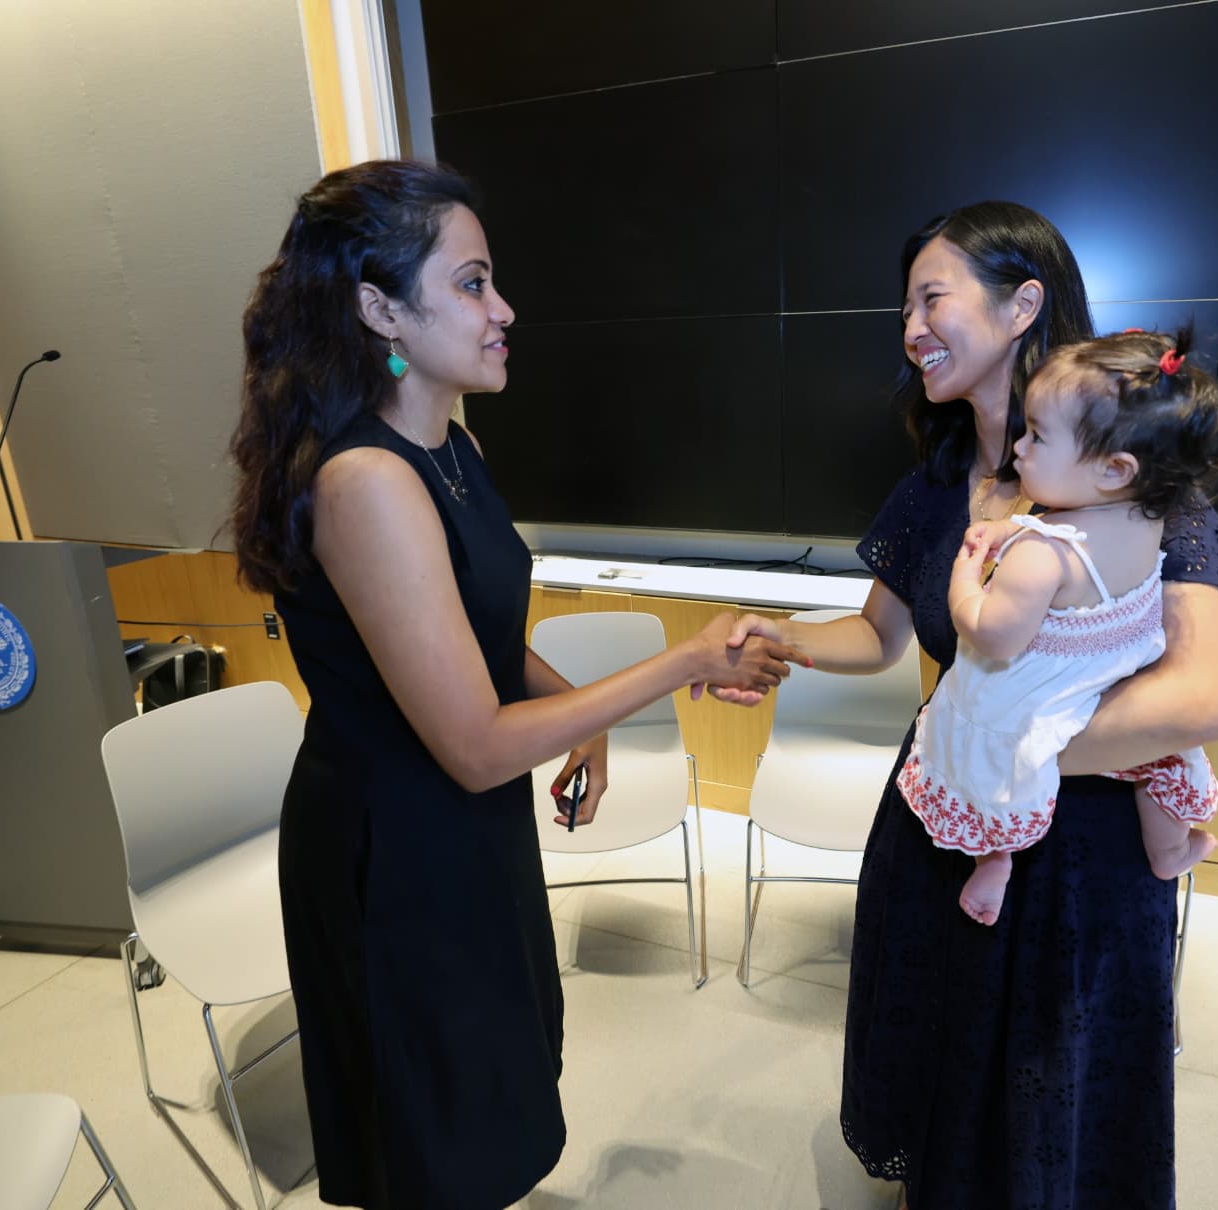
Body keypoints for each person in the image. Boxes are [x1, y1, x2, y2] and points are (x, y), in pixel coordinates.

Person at [227, 159, 804, 1210]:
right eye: (472, 284)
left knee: (493, 1071)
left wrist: (571, 716)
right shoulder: (366, 483)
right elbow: (477, 740)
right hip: (394, 838)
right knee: (433, 1114)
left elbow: (478, 641)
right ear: (378, 307)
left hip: (465, 821)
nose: (505, 310)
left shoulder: (453, 443)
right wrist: (678, 664)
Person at [716, 201, 1218, 1208]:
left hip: (1081, 850)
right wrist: (779, 641)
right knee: (946, 1058)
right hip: (945, 814)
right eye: (902, 304)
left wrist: (1015, 752)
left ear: (1019, 304)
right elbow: (877, 635)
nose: (908, 326)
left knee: (1050, 1088)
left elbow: (1199, 696)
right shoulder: (937, 481)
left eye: (930, 297)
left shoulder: (1141, 486)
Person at [900, 327, 1218, 927]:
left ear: (1112, 467)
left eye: (1037, 436)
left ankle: (994, 858)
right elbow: (1075, 541)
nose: (1019, 449)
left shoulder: (1041, 555)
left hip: (1037, 694)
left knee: (989, 749)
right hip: (1108, 678)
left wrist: (964, 580)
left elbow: (993, 634)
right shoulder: (1144, 516)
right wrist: (1011, 531)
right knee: (1162, 761)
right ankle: (1172, 850)